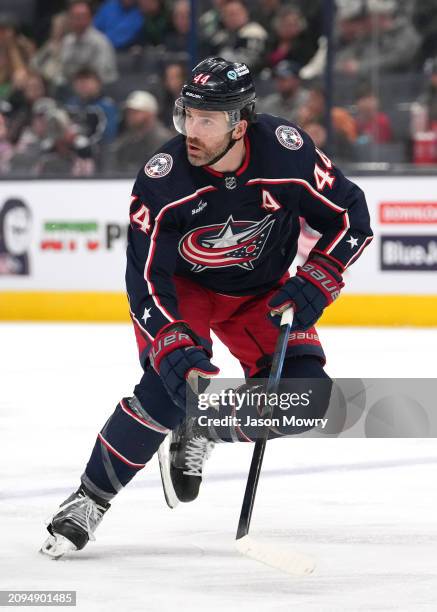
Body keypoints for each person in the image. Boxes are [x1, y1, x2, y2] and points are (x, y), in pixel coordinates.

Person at [41, 57, 373, 558]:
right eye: (186, 115)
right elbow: (144, 277)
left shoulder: (289, 154)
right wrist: (170, 340)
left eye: (207, 120)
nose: (190, 131)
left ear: (240, 124)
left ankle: (206, 424)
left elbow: (352, 218)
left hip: (261, 292)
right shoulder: (163, 180)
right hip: (184, 291)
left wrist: (319, 279)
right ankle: (89, 500)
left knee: (306, 397)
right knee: (170, 388)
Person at [108, 90, 172, 175]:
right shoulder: (127, 139)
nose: (130, 116)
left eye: (136, 112)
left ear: (150, 113)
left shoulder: (163, 140)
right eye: (129, 112)